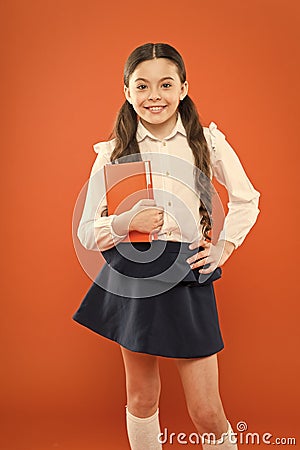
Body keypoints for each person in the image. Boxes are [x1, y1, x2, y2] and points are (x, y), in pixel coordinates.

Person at [72, 42, 260, 449]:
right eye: (141, 86)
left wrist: (224, 245)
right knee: (141, 397)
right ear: (127, 92)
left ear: (184, 87)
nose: (153, 95)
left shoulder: (207, 143)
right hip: (135, 276)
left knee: (207, 410)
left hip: (189, 273)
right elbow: (88, 231)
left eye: (165, 84)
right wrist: (126, 222)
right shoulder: (112, 153)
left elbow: (248, 198)